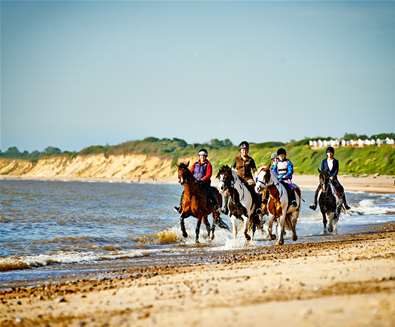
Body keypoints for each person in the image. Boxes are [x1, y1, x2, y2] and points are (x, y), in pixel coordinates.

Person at [174, 149, 218, 213]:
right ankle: (180, 207)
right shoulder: (195, 164)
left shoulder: (208, 165)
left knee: (210, 192)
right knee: (184, 192)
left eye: (203, 155)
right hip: (195, 183)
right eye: (200, 155)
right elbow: (191, 173)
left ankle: (215, 205)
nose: (202, 157)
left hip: (204, 183)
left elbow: (209, 174)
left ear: (206, 156)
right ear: (199, 156)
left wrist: (202, 180)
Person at [309, 146, 351, 210]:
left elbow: (336, 170)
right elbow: (322, 170)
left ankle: (345, 204)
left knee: (341, 188)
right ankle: (315, 204)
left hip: (333, 178)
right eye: (328, 152)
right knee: (317, 190)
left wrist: (333, 176)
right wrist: (324, 176)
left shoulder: (336, 161)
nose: (330, 154)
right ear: (326, 153)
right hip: (325, 179)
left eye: (331, 152)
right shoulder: (324, 161)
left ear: (333, 153)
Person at [229, 141, 261, 213]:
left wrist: (256, 179)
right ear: (240, 150)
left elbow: (254, 170)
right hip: (238, 179)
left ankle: (258, 208)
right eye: (243, 149)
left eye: (246, 149)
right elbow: (232, 169)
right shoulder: (236, 159)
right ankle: (227, 207)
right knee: (229, 190)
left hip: (248, 179)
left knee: (256, 190)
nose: (244, 151)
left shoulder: (250, 160)